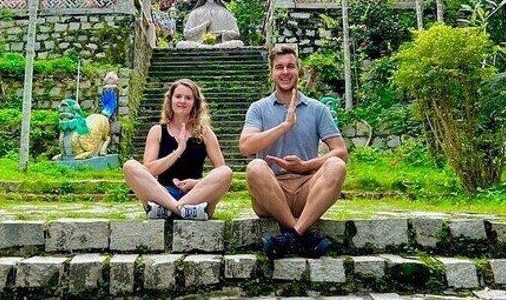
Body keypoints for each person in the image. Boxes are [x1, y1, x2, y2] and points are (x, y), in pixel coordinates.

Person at [239, 44, 348, 258]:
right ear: (271, 72)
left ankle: (293, 235)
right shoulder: (259, 108)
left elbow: (340, 151)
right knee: (255, 167)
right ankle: (303, 234)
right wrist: (284, 127)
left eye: (291, 66)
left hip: (307, 190)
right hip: (271, 192)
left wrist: (305, 166)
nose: (285, 72)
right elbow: (245, 146)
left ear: (299, 70)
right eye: (279, 67)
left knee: (337, 165)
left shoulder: (318, 109)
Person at [123, 78, 233, 220]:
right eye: (178, 96)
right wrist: (178, 151)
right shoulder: (157, 131)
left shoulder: (205, 133)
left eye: (188, 98)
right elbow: (150, 170)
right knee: (130, 166)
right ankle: (179, 209)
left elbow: (220, 171)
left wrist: (196, 183)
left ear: (195, 103)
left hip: (195, 195)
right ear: (170, 100)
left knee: (226, 172)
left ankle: (174, 209)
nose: (182, 101)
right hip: (163, 194)